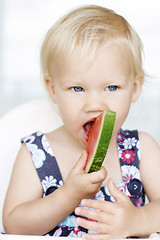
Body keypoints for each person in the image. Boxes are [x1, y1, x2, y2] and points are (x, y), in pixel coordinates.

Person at [3, 4, 160, 239]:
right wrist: (68, 195)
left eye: (111, 87)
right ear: (53, 90)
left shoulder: (142, 149)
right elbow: (14, 225)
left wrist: (136, 220)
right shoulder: (35, 153)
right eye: (77, 88)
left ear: (135, 88)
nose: (95, 104)